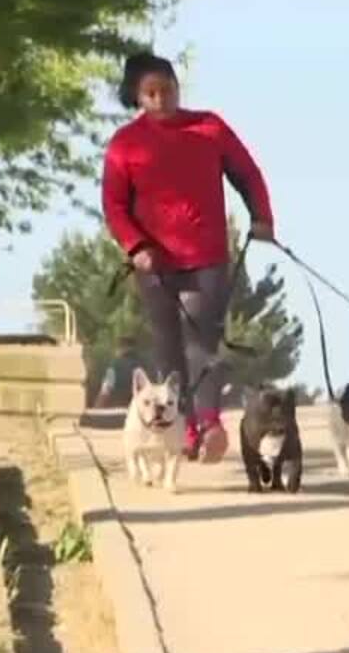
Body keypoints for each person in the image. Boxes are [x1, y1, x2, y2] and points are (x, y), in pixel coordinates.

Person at [101, 51, 275, 465]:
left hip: (206, 255)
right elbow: (114, 205)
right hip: (154, 264)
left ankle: (210, 424)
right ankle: (187, 430)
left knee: (202, 341)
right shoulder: (125, 144)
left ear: (179, 88)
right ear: (137, 97)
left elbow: (246, 173)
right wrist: (136, 246)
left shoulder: (209, 127)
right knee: (167, 348)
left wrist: (262, 217)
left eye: (168, 90)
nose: (162, 99)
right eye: (151, 93)